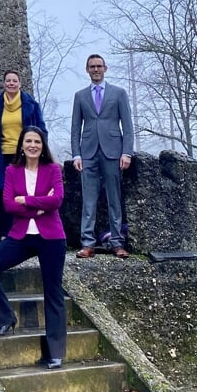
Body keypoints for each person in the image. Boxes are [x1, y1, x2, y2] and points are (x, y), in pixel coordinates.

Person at [0, 126, 68, 368]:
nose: (33, 145)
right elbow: (8, 205)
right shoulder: (12, 171)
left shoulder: (53, 170)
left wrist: (26, 200)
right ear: (22, 145)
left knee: (53, 291)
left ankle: (55, 352)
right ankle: (4, 318)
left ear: (42, 145)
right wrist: (39, 205)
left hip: (51, 237)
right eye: (28, 141)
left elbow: (57, 199)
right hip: (21, 235)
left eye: (37, 141)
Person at [69, 53, 133, 258]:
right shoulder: (80, 96)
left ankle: (116, 242)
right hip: (88, 152)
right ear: (87, 70)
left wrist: (127, 152)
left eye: (99, 66)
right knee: (89, 200)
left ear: (105, 68)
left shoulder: (119, 93)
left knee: (114, 198)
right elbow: (75, 128)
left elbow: (128, 126)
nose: (95, 70)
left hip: (113, 151)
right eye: (92, 67)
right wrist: (76, 154)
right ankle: (88, 243)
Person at [0, 71, 47, 237]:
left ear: (20, 83)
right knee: (5, 194)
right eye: (8, 81)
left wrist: (39, 151)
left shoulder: (31, 104)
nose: (11, 83)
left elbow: (41, 129)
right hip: (3, 155)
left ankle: (30, 231)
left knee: (27, 192)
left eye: (14, 81)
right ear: (4, 84)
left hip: (26, 155)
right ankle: (7, 233)